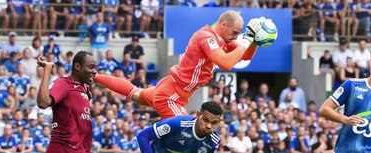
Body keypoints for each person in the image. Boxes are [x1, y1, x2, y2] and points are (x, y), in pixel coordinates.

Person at [93, 10, 261, 119]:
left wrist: (254, 41)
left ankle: (93, 76)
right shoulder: (206, 37)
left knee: (136, 94)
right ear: (224, 25)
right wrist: (246, 40)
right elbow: (226, 63)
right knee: (188, 132)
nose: (235, 37)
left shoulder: (221, 38)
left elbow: (245, 56)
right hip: (171, 95)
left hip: (171, 88)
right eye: (235, 33)